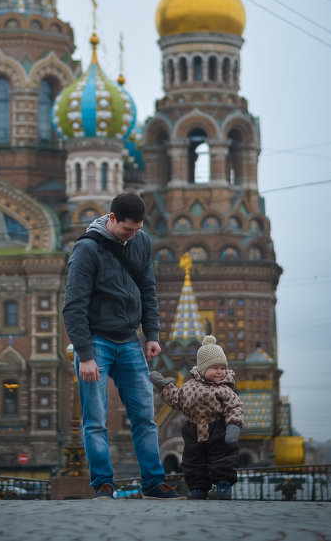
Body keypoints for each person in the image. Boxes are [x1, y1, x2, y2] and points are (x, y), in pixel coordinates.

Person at [63, 191, 184, 500]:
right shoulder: (86, 249)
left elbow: (147, 287)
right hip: (96, 342)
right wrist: (85, 355)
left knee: (145, 416)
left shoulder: (140, 241)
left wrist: (152, 334)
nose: (132, 236)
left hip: (129, 340)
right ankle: (103, 484)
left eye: (138, 230)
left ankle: (153, 483)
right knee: (95, 419)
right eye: (127, 230)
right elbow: (74, 307)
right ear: (112, 219)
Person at [150, 335, 244, 500]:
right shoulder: (189, 387)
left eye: (223, 368)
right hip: (193, 429)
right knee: (193, 460)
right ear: (202, 368)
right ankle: (197, 489)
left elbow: (234, 406)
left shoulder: (225, 389)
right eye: (215, 368)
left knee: (222, 457)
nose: (220, 372)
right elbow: (176, 398)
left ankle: (223, 487)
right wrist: (163, 385)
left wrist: (233, 425)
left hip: (218, 428)